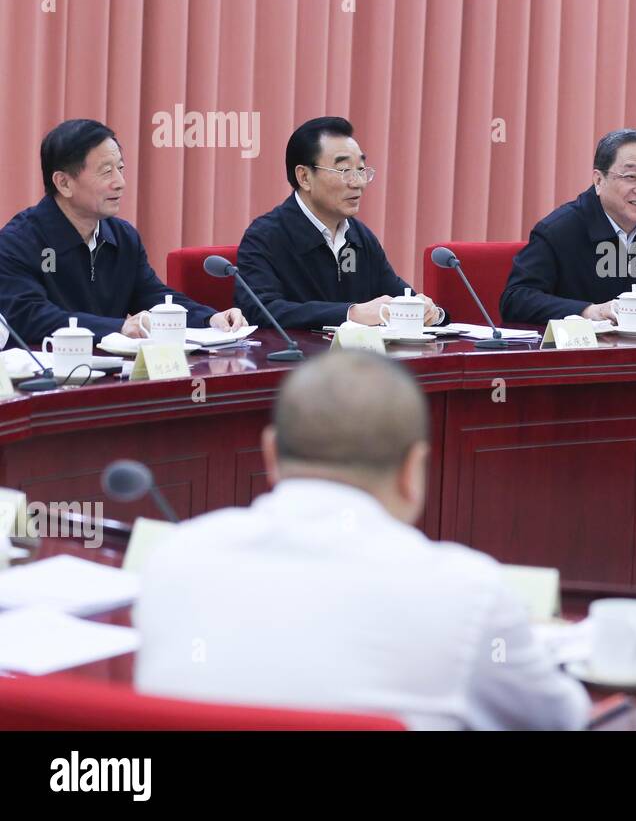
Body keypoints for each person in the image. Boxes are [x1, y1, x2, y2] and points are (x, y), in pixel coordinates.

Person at [134, 350, 591, 730]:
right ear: (414, 470)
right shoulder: (470, 592)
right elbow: (565, 720)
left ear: (270, 454)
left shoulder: (174, 558)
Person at [0, 119, 244, 346]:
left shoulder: (123, 237)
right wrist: (118, 327)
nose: (120, 182)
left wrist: (210, 318)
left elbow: (153, 295)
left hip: (113, 373)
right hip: (45, 377)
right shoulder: (19, 241)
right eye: (106, 171)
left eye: (120, 168)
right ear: (64, 183)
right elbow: (29, 317)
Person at [235, 116, 444, 330]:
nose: (358, 183)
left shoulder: (360, 237)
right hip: (299, 360)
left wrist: (430, 312)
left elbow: (398, 295)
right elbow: (260, 310)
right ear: (305, 177)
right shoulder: (265, 236)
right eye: (345, 171)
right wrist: (350, 314)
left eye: (361, 170)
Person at [500, 128, 636, 324]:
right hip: (579, 353)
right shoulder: (560, 229)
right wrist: (588, 311)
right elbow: (516, 298)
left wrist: (629, 309)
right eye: (631, 177)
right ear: (599, 180)